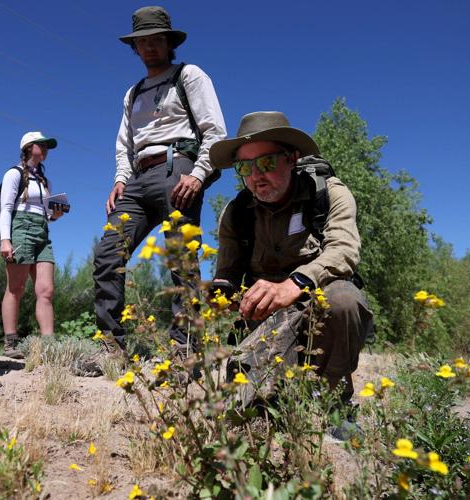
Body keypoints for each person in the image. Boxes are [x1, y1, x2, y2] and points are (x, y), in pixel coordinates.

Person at [208, 111, 374, 407]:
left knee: (345, 299)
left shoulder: (328, 194)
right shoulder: (237, 213)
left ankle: (334, 405)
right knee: (245, 408)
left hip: (316, 308)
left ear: (292, 158)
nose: (256, 175)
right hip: (264, 319)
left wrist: (295, 284)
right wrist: (220, 292)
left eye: (267, 162)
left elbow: (344, 251)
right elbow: (228, 273)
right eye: (244, 167)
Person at [92, 6, 226, 360]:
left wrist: (197, 174)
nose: (149, 47)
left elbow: (215, 131)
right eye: (142, 41)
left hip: (177, 167)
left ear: (169, 42)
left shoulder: (189, 75)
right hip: (137, 177)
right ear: (135, 48)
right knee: (108, 252)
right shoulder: (132, 92)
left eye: (156, 40)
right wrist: (120, 179)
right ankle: (111, 344)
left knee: (180, 255)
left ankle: (185, 343)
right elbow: (123, 145)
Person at [0, 132, 66, 359]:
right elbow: (6, 208)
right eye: (42, 145)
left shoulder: (43, 180)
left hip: (42, 232)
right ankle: (10, 343)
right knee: (15, 288)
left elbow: (48, 214)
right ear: (29, 147)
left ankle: (49, 345)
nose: (46, 149)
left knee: (46, 290)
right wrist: (5, 240)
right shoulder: (14, 173)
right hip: (20, 229)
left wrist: (55, 214)